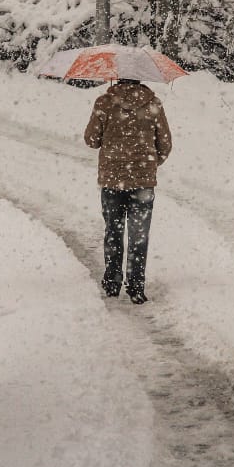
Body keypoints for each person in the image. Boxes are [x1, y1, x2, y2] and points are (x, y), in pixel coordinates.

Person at [84, 78, 172, 304]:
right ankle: (136, 286)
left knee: (113, 231)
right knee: (139, 235)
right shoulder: (153, 104)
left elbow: (91, 140)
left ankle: (112, 283)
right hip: (143, 184)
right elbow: (165, 145)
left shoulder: (104, 102)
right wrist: (149, 166)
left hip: (112, 181)